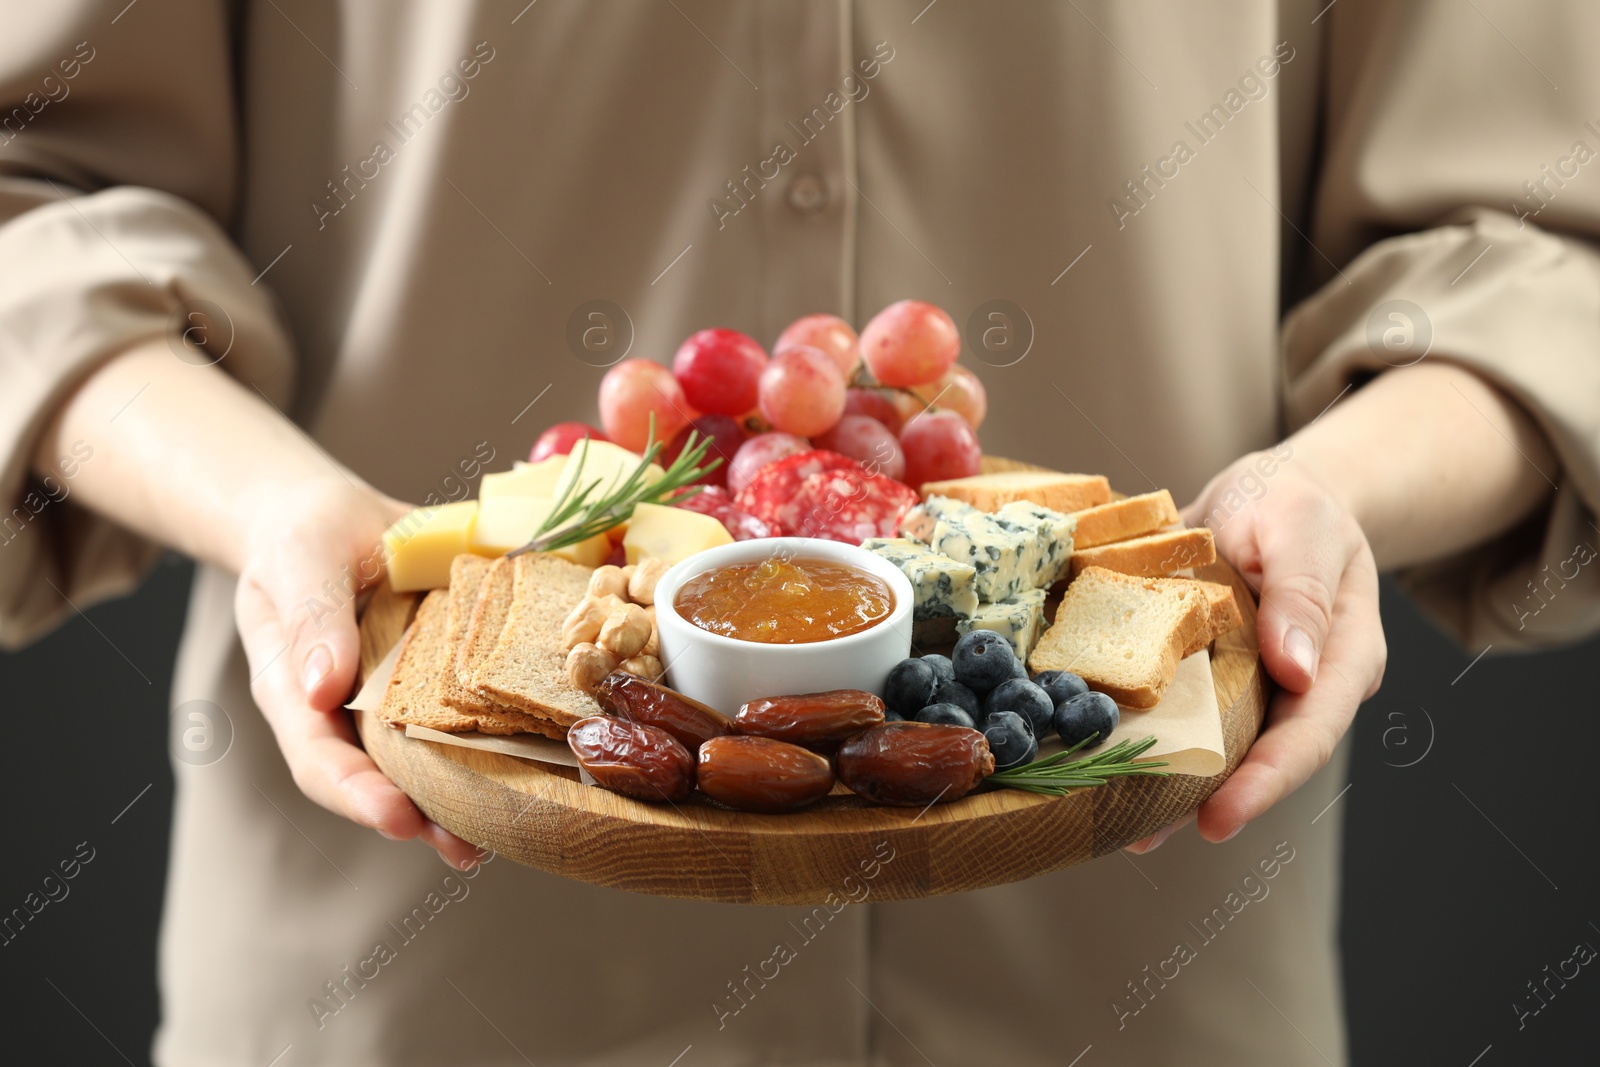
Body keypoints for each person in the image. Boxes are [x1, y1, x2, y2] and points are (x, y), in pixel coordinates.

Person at [3, 2, 1595, 1064]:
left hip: (1135, 968)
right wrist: (273, 509)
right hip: (413, 978)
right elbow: (34, 199)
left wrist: (1340, 495)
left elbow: (1530, 241)